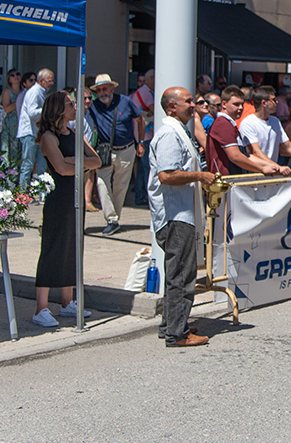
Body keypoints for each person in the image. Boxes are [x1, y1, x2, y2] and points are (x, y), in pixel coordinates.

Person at [150, 87, 214, 347]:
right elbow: (167, 175)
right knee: (181, 275)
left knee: (179, 273)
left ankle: (172, 324)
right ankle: (177, 333)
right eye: (188, 101)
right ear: (172, 107)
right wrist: (200, 176)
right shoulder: (169, 134)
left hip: (181, 213)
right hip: (175, 215)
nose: (193, 105)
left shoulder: (179, 130)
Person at [31, 90, 101, 327]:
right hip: (58, 197)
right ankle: (41, 308)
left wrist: (71, 161)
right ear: (58, 109)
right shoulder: (49, 136)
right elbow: (60, 168)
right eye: (70, 104)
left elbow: (97, 160)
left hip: (75, 195)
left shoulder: (74, 133)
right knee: (53, 248)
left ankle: (66, 301)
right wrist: (77, 163)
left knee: (72, 247)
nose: (75, 107)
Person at [87, 73, 144, 236]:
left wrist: (140, 142)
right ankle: (111, 219)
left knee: (121, 186)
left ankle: (114, 219)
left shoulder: (125, 101)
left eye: (105, 89)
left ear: (112, 88)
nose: (102, 93)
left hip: (126, 150)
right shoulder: (94, 105)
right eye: (99, 90)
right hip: (105, 151)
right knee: (101, 183)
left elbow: (140, 119)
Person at [204, 86, 289, 177]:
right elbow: (235, 156)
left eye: (242, 104)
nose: (240, 108)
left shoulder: (229, 124)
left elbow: (247, 156)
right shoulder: (222, 124)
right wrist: (262, 169)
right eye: (236, 104)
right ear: (224, 104)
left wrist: (275, 166)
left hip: (233, 180)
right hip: (224, 181)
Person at [241, 86, 291, 175]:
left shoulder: (275, 121)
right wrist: (278, 167)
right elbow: (256, 152)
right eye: (274, 100)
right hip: (255, 174)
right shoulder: (248, 123)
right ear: (264, 103)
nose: (277, 102)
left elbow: (288, 147)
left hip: (273, 172)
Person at [18, 69, 54, 186]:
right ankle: (23, 192)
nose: (52, 83)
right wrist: (47, 110)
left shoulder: (41, 92)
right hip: (30, 132)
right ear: (41, 80)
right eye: (49, 81)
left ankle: (40, 190)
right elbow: (32, 112)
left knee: (41, 163)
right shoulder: (34, 91)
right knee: (28, 163)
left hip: (38, 133)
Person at [130, 70, 155, 206]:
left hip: (142, 133)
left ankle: (140, 195)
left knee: (141, 167)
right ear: (151, 78)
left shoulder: (141, 92)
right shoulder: (146, 92)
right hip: (145, 134)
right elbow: (155, 109)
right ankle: (147, 196)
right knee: (147, 167)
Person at [0, 70, 24, 165]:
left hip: (22, 123)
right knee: (10, 148)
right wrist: (18, 101)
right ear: (9, 79)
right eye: (12, 75)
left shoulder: (24, 92)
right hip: (10, 124)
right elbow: (7, 109)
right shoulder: (7, 92)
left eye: (18, 74)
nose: (16, 76)